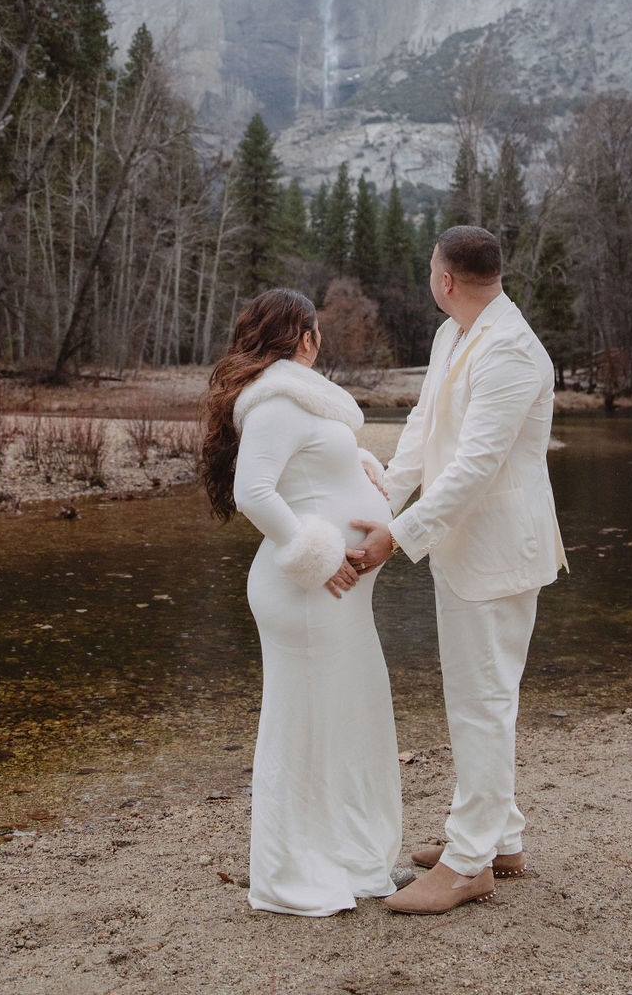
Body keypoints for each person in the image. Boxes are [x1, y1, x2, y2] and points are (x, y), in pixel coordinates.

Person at [350, 226, 567, 915]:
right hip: (463, 546)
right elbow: (424, 426)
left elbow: (475, 465)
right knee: (479, 695)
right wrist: (383, 493)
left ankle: (469, 861)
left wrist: (398, 536)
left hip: (498, 549)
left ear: (445, 279)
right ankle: (500, 837)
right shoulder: (455, 333)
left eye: (430, 271)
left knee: (483, 702)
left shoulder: (511, 351)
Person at [198, 287, 401, 916]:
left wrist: (361, 464)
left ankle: (342, 855)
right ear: (306, 337)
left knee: (345, 721)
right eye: (318, 332)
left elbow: (307, 468)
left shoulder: (299, 403)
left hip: (335, 601)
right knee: (305, 731)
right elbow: (255, 492)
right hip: (306, 594)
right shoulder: (278, 402)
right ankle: (293, 875)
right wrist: (321, 555)